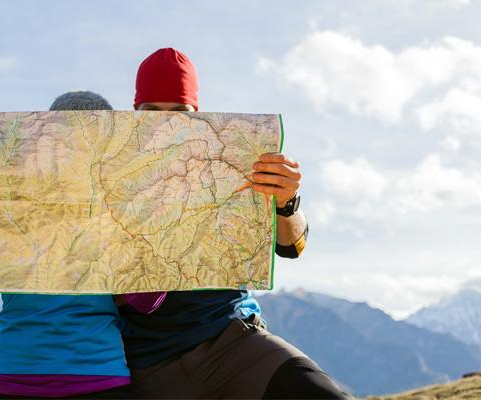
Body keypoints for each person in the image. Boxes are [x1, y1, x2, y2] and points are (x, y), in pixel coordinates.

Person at [117, 48, 353, 399]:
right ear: (135, 112)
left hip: (234, 342)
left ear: (197, 113)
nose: (166, 124)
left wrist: (286, 201)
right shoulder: (109, 172)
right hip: (148, 365)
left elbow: (291, 246)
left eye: (179, 112)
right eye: (152, 112)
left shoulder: (234, 159)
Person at [0, 91, 143, 399]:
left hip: (99, 378)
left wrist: (144, 237)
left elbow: (146, 302)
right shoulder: (12, 201)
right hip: (14, 378)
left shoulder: (115, 211)